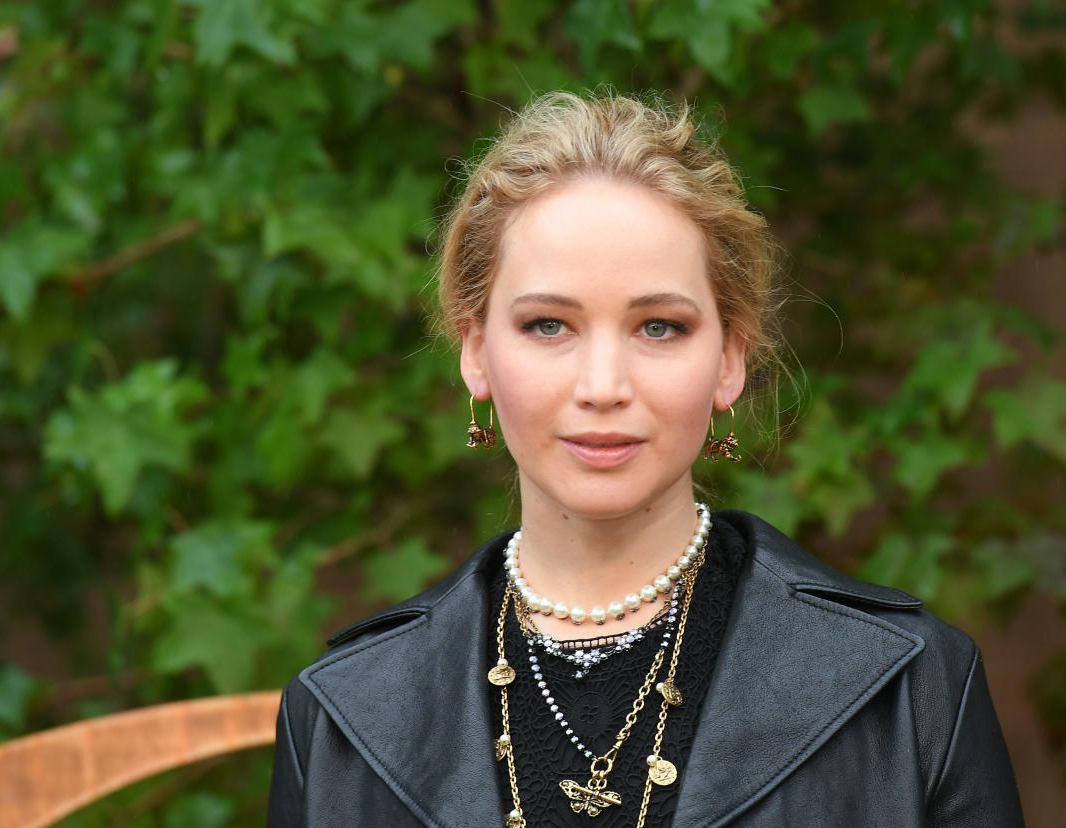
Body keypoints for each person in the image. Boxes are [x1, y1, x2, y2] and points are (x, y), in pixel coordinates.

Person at [267, 91, 1024, 827]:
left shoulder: (915, 689)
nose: (603, 387)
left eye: (659, 327)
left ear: (730, 357)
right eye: (548, 326)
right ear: (476, 352)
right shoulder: (339, 716)